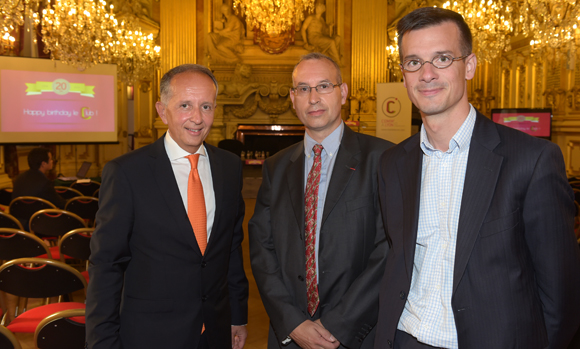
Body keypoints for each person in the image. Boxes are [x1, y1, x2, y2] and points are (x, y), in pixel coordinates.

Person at [375, 7, 580, 349]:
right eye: (413, 62)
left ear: (468, 66)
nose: (426, 74)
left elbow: (561, 293)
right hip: (405, 338)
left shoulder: (531, 160)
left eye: (441, 59)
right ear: (404, 73)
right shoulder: (392, 163)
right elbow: (394, 262)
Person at [86, 64, 249, 349]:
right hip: (150, 334)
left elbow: (231, 249)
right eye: (185, 105)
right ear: (163, 111)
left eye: (207, 106)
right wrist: (101, 341)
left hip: (215, 330)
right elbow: (107, 265)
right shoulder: (126, 172)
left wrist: (237, 315)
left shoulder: (230, 167)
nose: (197, 118)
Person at [249, 52, 393, 349]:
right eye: (303, 88)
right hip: (290, 336)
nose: (313, 98)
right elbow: (262, 250)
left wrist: (339, 325)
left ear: (343, 93)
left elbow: (389, 249)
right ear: (292, 98)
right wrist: (292, 322)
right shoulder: (276, 167)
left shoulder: (382, 159)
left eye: (324, 86)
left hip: (357, 335)